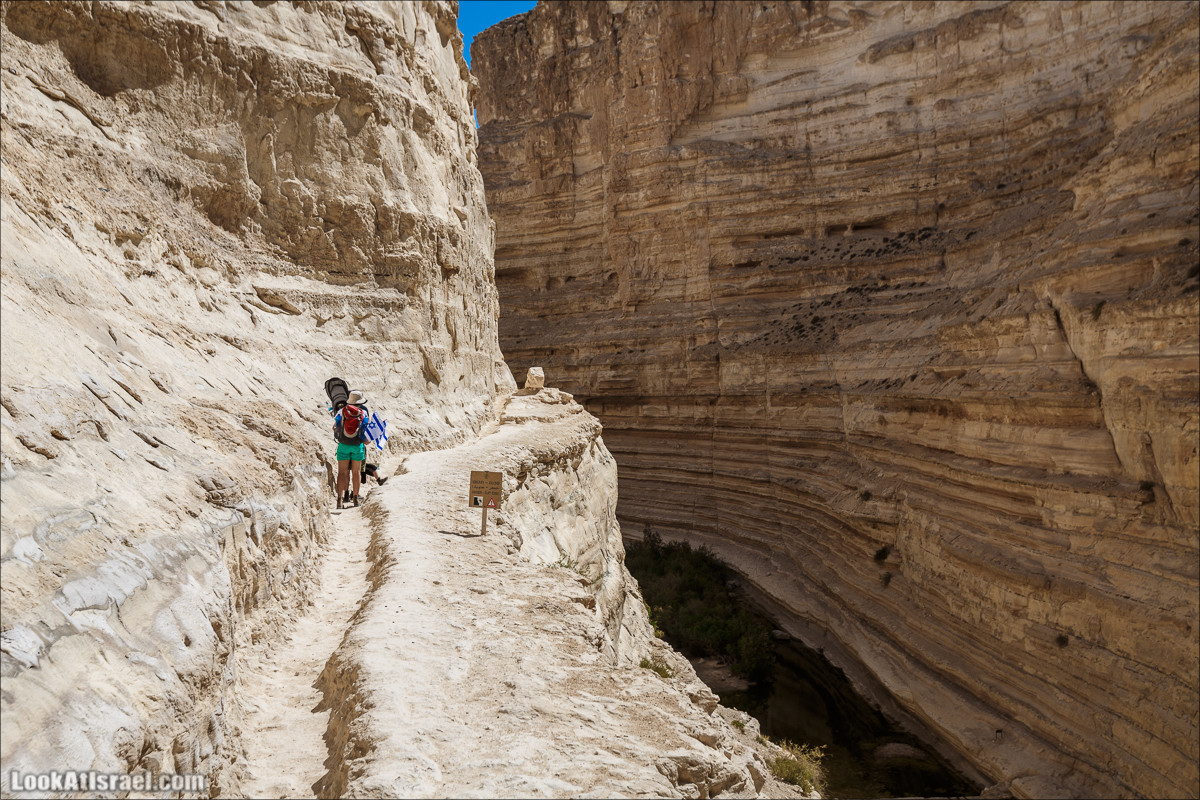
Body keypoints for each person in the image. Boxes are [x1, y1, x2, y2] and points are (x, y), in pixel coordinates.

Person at [334, 390, 368, 509]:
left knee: (342, 472)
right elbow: (365, 430)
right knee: (356, 472)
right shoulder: (363, 412)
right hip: (357, 446)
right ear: (360, 402)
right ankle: (355, 498)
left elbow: (335, 427)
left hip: (343, 445)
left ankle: (339, 500)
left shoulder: (341, 411)